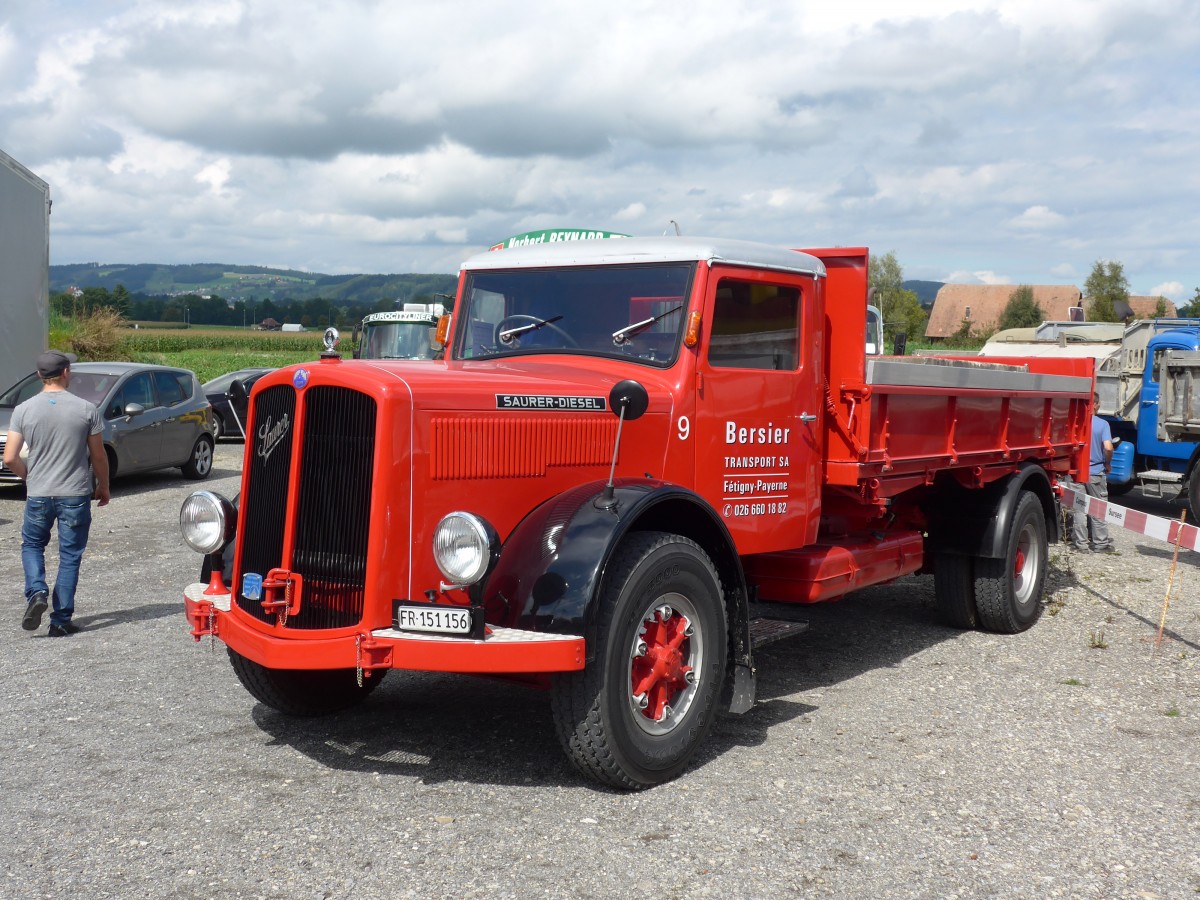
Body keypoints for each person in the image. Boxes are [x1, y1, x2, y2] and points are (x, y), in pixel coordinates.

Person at [3, 350, 110, 636]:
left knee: (32, 546)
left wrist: (30, 478)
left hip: (39, 493)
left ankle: (37, 592)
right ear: (66, 373)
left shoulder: (24, 409)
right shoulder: (86, 409)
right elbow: (98, 456)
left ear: (39, 375)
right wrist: (104, 486)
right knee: (70, 555)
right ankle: (60, 621)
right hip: (74, 494)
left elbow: (10, 457)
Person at [1072, 393, 1114, 553]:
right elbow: (1108, 447)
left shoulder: (1077, 423)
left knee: (1079, 509)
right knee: (1098, 509)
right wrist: (1107, 463)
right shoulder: (1103, 424)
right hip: (1096, 473)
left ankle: (1081, 545)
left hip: (1077, 472)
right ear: (1095, 404)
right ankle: (1100, 544)